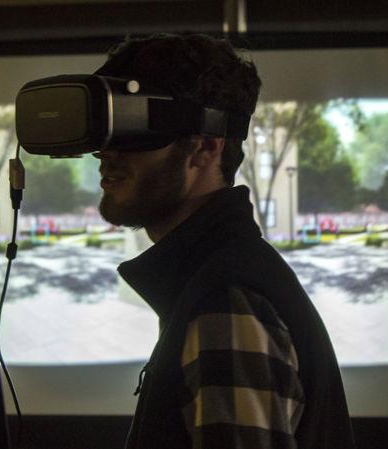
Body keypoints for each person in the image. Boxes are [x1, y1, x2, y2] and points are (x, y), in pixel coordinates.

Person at [93, 34, 355, 449]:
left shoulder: (224, 301)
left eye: (135, 130)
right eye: (107, 132)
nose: (105, 153)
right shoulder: (215, 278)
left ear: (204, 149)